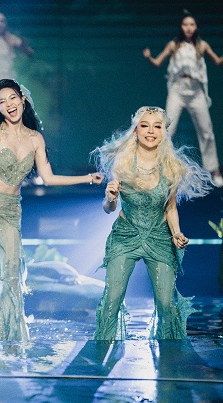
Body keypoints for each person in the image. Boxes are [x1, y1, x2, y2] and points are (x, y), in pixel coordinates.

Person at [0, 79, 103, 342]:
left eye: (12, 98)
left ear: (22, 99)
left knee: (12, 274)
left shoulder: (35, 139)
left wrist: (87, 178)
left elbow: (48, 178)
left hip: (10, 210)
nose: (8, 104)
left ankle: (11, 339)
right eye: (1, 102)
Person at [92, 106, 211, 341]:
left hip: (159, 238)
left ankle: (169, 356)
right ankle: (102, 350)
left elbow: (170, 207)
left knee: (166, 304)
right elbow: (109, 209)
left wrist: (176, 233)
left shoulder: (172, 167)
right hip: (125, 237)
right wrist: (110, 198)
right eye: (145, 125)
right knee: (112, 300)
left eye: (157, 126)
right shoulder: (122, 163)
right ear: (135, 130)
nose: (150, 131)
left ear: (164, 133)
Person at [143, 10, 223, 187]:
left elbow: (217, 62)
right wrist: (149, 58)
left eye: (192, 24)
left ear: (196, 27)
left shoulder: (202, 45)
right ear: (181, 26)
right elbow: (158, 62)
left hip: (195, 90)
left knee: (206, 130)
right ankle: (157, 167)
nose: (188, 28)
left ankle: (213, 169)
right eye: (185, 24)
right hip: (177, 90)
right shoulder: (174, 45)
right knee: (167, 128)